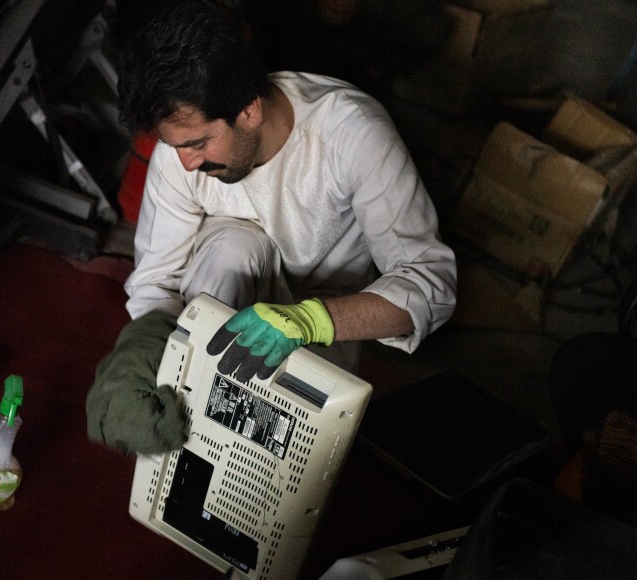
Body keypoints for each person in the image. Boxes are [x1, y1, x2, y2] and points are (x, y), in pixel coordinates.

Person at [86, 0, 457, 455]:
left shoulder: (352, 133)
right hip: (211, 339)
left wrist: (310, 320)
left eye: (199, 142)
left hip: (321, 336)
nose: (186, 162)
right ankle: (195, 411)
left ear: (248, 110)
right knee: (235, 244)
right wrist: (135, 358)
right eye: (175, 146)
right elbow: (157, 280)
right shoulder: (181, 152)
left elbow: (432, 283)